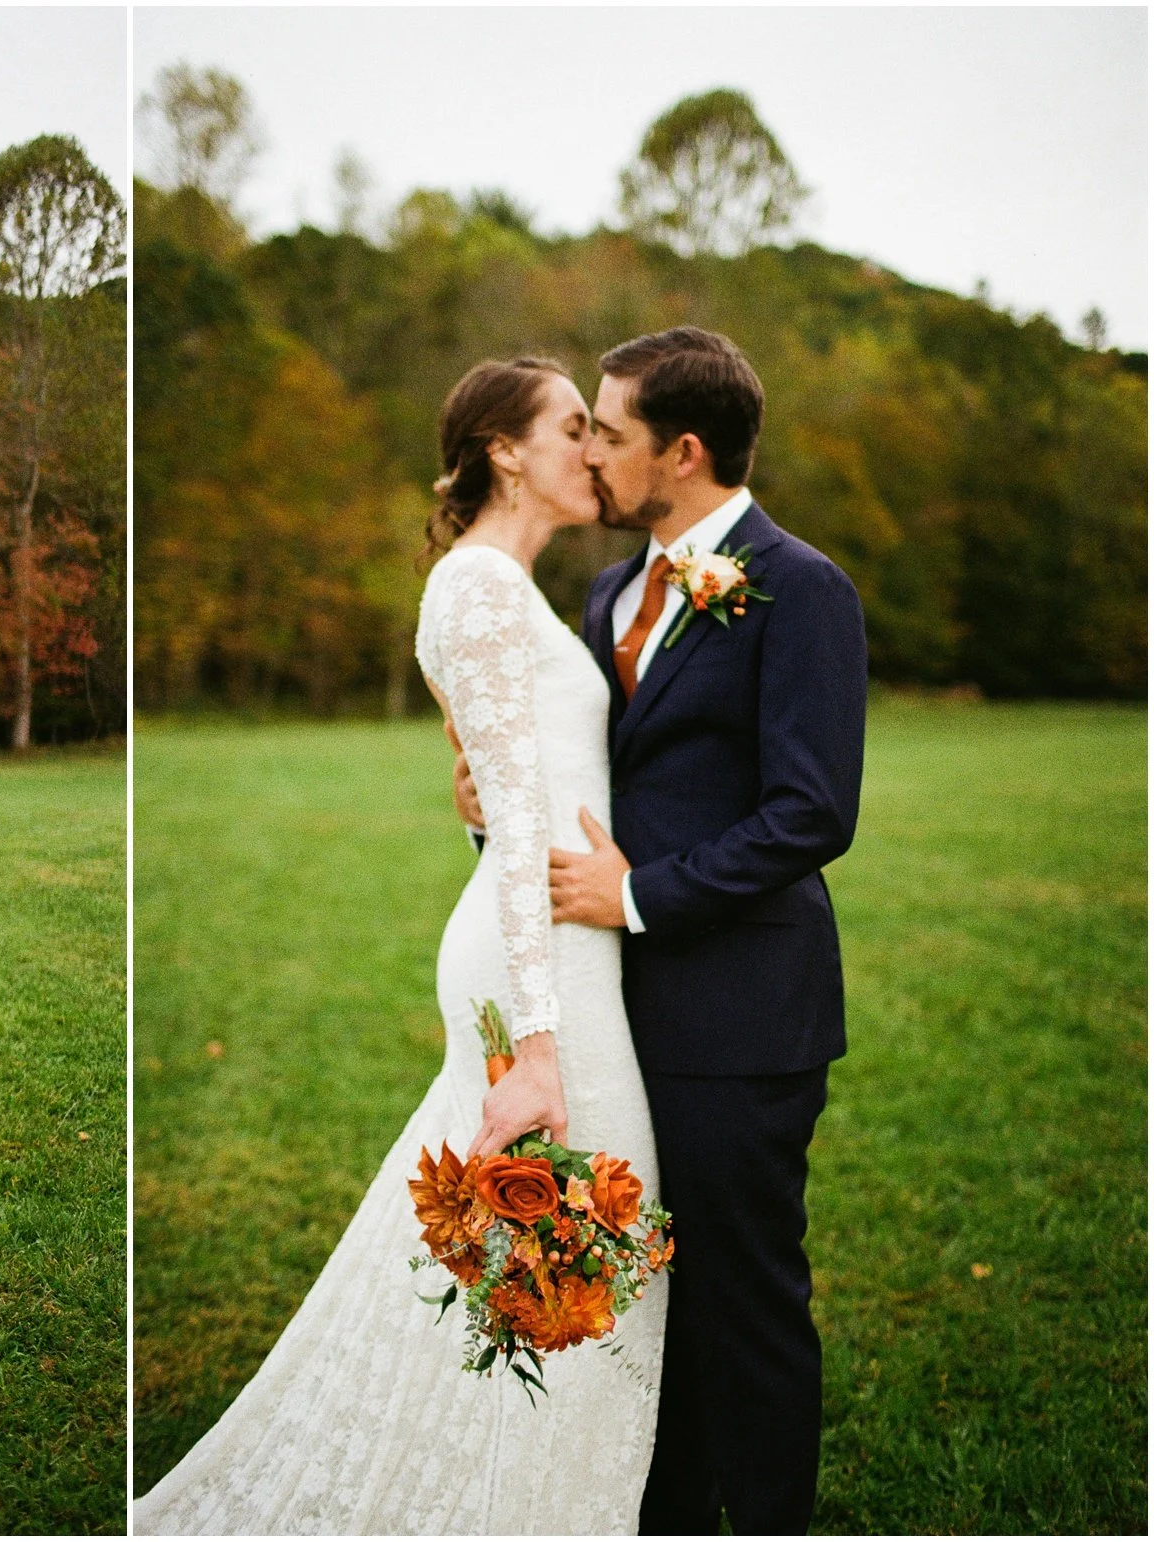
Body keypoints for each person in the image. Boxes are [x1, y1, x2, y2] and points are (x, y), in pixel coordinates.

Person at [136, 357, 669, 1534]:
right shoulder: (475, 588)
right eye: (572, 427)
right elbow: (519, 819)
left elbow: (508, 781)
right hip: (534, 963)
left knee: (559, 1250)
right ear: (503, 452)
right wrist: (535, 1042)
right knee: (565, 1244)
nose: (593, 448)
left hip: (560, 937)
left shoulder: (518, 589)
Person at [455, 327, 867, 1534]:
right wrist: (491, 812)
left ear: (680, 453)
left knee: (744, 1306)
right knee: (647, 1306)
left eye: (610, 431)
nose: (589, 447)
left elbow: (811, 811)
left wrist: (636, 896)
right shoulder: (604, 589)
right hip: (615, 1013)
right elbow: (587, 776)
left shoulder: (801, 587)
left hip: (741, 1014)